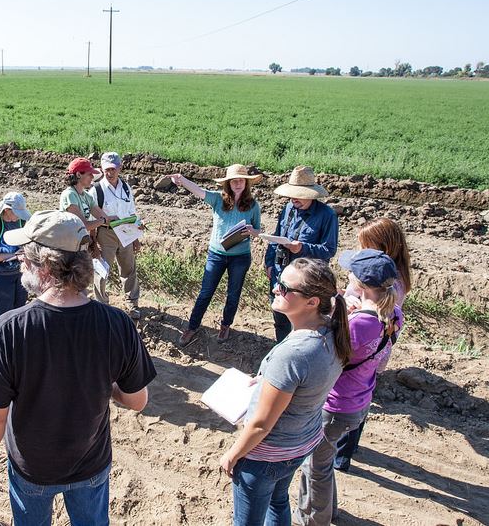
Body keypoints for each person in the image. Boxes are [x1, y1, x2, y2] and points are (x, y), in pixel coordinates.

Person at [0, 210, 157, 526]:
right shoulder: (116, 324)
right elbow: (137, 401)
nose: (20, 261)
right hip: (91, 466)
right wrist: (106, 386)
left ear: (43, 265)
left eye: (25, 255)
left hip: (32, 470)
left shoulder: (10, 329)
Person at [218, 258, 350, 526]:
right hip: (300, 443)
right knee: (278, 501)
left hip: (266, 454)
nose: (276, 289)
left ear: (312, 302)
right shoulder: (333, 331)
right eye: (279, 282)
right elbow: (303, 383)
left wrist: (232, 454)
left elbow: (260, 425)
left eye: (285, 288)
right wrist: (269, 381)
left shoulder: (293, 354)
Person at [295, 249, 403, 525]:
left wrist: (338, 316)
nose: (348, 275)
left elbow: (325, 351)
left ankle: (312, 520)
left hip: (334, 404)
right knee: (325, 460)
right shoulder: (392, 313)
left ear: (362, 284)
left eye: (352, 274)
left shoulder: (357, 325)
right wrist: (348, 309)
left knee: (314, 465)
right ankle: (327, 512)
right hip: (359, 399)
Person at [335, 217, 412, 471]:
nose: (360, 251)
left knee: (353, 389)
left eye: (365, 246)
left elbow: (380, 314)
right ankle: (348, 444)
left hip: (365, 343)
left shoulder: (388, 282)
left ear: (383, 246)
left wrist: (354, 308)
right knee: (364, 388)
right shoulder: (390, 275)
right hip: (378, 346)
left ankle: (343, 453)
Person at [168, 165, 262, 344]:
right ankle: (192, 327)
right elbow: (199, 191)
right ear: (228, 183)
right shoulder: (218, 200)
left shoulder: (253, 205)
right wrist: (182, 179)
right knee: (205, 292)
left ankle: (225, 325)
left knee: (233, 294)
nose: (237, 183)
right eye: (234, 180)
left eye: (241, 180)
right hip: (216, 255)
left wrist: (251, 231)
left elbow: (258, 230)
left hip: (240, 257)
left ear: (246, 183)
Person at [264, 166, 339, 343]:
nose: (293, 199)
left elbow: (329, 250)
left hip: (304, 282)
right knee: (280, 316)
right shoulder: (288, 208)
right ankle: (281, 346)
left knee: (303, 321)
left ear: (311, 194)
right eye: (291, 194)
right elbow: (277, 236)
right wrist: (269, 262)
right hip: (280, 273)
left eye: (298, 194)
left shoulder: (327, 215)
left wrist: (302, 248)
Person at [90, 152, 142, 319]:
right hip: (106, 233)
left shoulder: (126, 188)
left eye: (113, 169)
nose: (110, 173)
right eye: (107, 169)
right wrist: (93, 243)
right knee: (102, 269)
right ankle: (101, 305)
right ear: (101, 169)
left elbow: (131, 212)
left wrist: (136, 239)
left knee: (129, 268)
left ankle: (132, 303)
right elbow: (92, 219)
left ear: (120, 168)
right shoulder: (96, 190)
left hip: (126, 232)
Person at [0, 192, 32, 323]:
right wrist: (14, 255)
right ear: (7, 210)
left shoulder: (22, 222)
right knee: (2, 316)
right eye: (16, 213)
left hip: (20, 274)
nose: (19, 216)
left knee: (19, 312)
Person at [58, 157, 112, 252]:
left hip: (78, 244)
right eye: (89, 174)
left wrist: (111, 219)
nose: (92, 177)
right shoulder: (70, 195)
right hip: (68, 246)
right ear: (78, 174)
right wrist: (103, 220)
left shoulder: (86, 196)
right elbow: (82, 225)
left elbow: (103, 216)